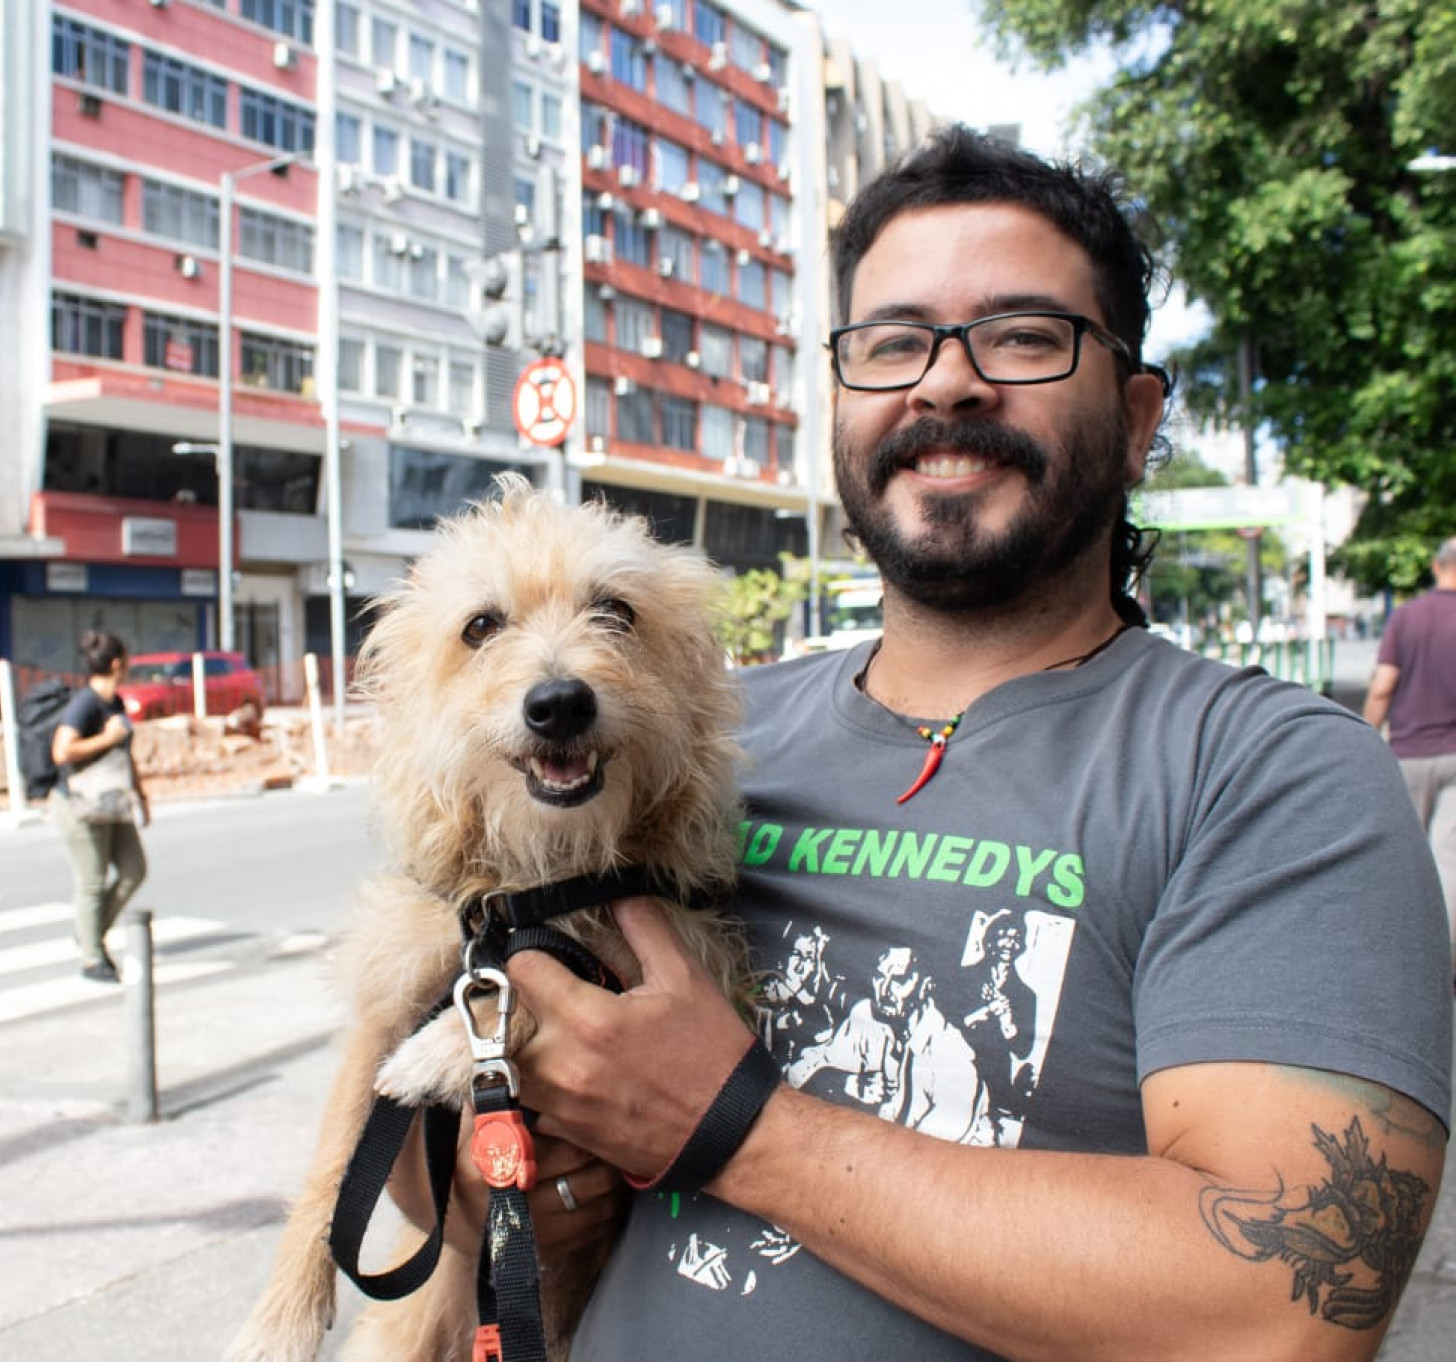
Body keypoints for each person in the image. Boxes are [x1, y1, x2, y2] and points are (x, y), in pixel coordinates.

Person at [476, 127, 1450, 1360]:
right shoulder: (687, 743)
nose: (945, 385)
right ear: (841, 404)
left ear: (1137, 418)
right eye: (893, 344)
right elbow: (461, 1205)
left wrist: (740, 1130)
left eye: (1024, 337)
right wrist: (498, 1171)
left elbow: (1281, 1315)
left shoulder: (1273, 773)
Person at [1364, 536, 1456, 967]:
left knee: (1404, 861)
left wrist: (1366, 736)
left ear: (1437, 567)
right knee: (1449, 858)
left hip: (1410, 753)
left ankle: (1405, 957)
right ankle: (1446, 961)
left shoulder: (1407, 618)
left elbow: (1383, 685)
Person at [49, 629, 149, 984]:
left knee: (134, 869)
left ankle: (90, 930)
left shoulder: (114, 702)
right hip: (78, 805)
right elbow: (61, 751)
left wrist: (140, 794)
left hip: (111, 801)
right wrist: (107, 737)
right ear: (117, 663)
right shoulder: (85, 704)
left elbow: (124, 754)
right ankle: (92, 956)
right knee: (91, 880)